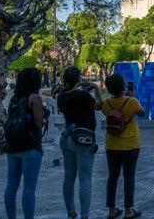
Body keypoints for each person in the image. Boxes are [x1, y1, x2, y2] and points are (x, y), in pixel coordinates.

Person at [57, 66, 103, 219]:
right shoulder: (83, 95)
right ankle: (85, 215)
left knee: (68, 176)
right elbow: (98, 106)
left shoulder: (61, 96)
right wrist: (96, 89)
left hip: (67, 136)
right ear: (78, 79)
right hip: (83, 138)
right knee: (85, 177)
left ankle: (71, 212)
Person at [4, 67, 48, 219]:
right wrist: (45, 117)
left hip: (13, 146)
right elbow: (39, 123)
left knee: (11, 185)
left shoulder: (14, 99)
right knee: (29, 188)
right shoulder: (34, 98)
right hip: (30, 146)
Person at [100, 73, 145, 219]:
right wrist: (133, 96)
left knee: (112, 176)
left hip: (112, 144)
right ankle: (128, 211)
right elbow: (142, 113)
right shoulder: (132, 102)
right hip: (131, 144)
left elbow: (103, 109)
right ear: (124, 86)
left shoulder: (106, 103)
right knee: (128, 177)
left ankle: (112, 210)